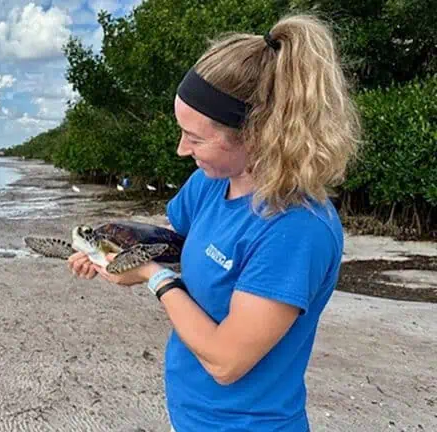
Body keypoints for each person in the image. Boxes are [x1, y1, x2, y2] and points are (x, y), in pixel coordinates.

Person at [67, 13, 361, 432]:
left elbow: (226, 361)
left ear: (259, 135)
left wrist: (154, 277)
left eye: (196, 137)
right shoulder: (210, 182)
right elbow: (178, 244)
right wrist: (110, 248)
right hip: (190, 416)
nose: (182, 149)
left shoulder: (297, 229)